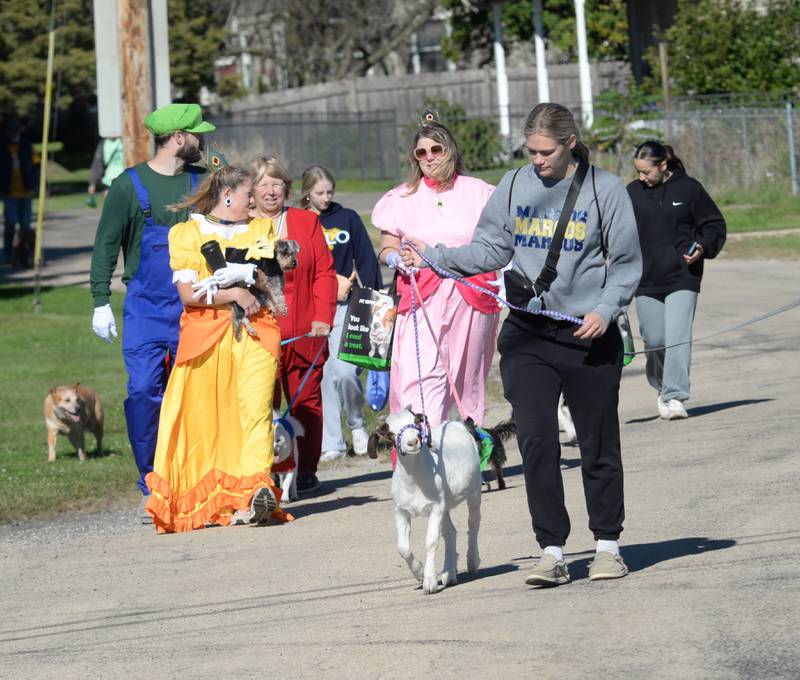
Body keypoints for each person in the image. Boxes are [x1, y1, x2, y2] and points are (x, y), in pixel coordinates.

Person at [402, 103, 642, 586]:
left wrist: (605, 308)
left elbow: (627, 264)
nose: (537, 160)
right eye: (530, 151)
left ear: (570, 142)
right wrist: (435, 258)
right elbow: (491, 248)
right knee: (536, 442)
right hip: (529, 334)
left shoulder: (605, 190)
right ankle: (551, 551)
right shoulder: (514, 185)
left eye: (545, 151)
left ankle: (607, 546)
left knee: (597, 442)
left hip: (587, 334)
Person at [144, 164, 290, 532]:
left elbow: (272, 279)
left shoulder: (261, 228)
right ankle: (218, 496)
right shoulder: (187, 233)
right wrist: (233, 293)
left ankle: (255, 489)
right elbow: (189, 294)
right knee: (206, 419)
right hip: (206, 336)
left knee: (255, 410)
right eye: (248, 195)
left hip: (257, 331)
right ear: (228, 196)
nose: (254, 201)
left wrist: (249, 276)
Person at [89, 103, 214, 518]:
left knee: (195, 393)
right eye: (197, 134)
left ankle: (193, 475)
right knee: (144, 391)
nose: (203, 140)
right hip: (145, 305)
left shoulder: (204, 181)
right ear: (179, 138)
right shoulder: (128, 185)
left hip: (195, 303)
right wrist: (100, 301)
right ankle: (151, 477)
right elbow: (107, 243)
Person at [371, 118, 500, 430]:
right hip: (422, 297)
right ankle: (422, 451)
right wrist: (394, 259)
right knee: (420, 376)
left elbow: (497, 241)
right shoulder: (401, 197)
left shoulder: (479, 191)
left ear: (450, 150)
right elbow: (386, 246)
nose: (428, 157)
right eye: (421, 152)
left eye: (435, 149)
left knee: (468, 380)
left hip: (472, 295)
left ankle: (470, 455)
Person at [249, 156, 337, 495]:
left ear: (287, 187)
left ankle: (306, 470)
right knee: (260, 405)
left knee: (306, 403)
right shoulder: (240, 225)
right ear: (251, 191)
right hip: (259, 333)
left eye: (277, 183)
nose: (271, 191)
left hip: (304, 329)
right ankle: (264, 471)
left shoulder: (306, 222)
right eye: (263, 184)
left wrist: (323, 317)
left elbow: (325, 273)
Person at [628, 140, 726, 420]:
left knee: (678, 336)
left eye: (647, 172)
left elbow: (714, 225)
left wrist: (703, 247)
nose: (642, 178)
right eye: (638, 172)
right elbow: (615, 229)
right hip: (646, 279)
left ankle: (675, 395)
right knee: (654, 339)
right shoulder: (632, 193)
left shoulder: (690, 189)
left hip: (683, 275)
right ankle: (661, 387)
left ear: (663, 165)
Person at [299, 165, 383, 463]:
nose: (325, 198)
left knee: (345, 371)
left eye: (329, 192)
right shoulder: (299, 221)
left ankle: (357, 424)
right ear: (306, 193)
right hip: (313, 308)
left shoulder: (347, 218)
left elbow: (366, 260)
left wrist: (375, 303)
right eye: (319, 193)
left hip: (347, 305)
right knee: (324, 375)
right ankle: (331, 441)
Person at [0, 118, 37, 267]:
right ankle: (8, 254)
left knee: (25, 226)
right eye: (12, 132)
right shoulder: (2, 148)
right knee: (10, 222)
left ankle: (25, 256)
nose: (15, 135)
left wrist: (36, 182)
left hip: (26, 193)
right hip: (9, 193)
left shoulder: (27, 147)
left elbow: (36, 165)